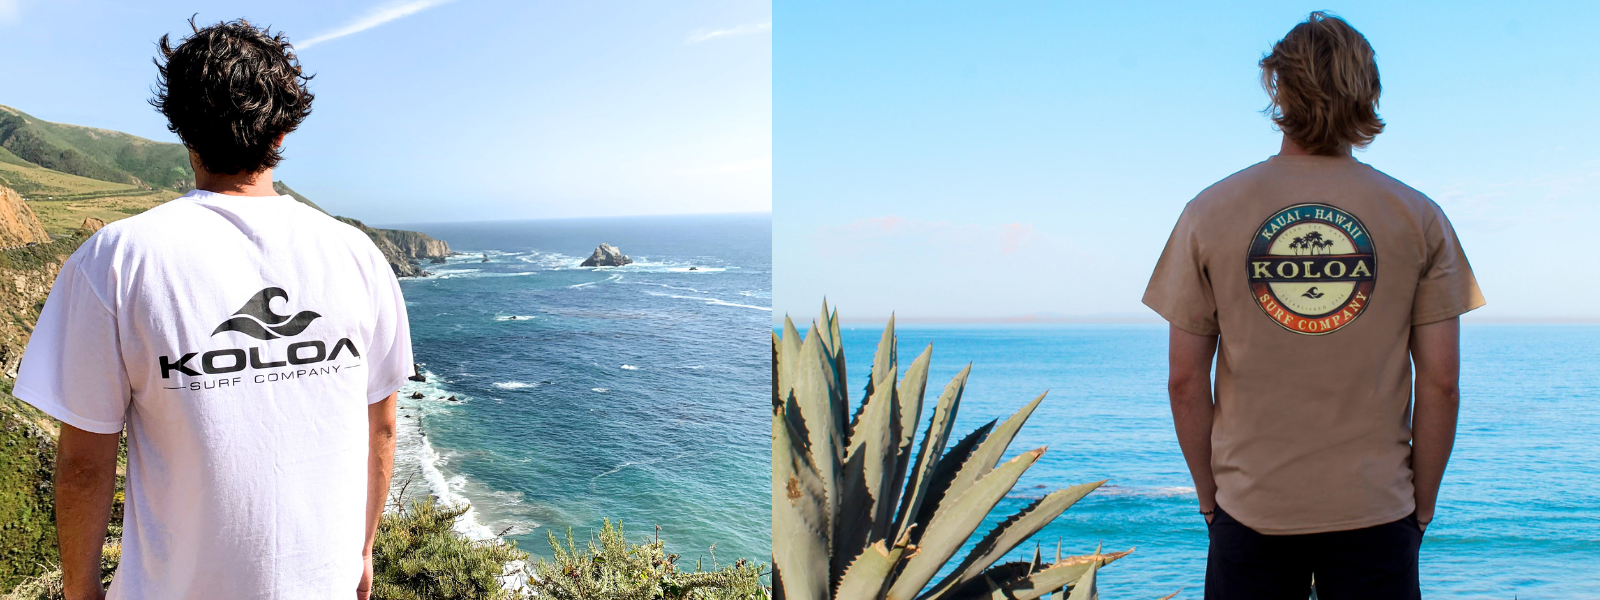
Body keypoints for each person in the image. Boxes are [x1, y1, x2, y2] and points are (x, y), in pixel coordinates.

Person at [15, 19, 412, 600]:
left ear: (181, 126)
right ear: (284, 128)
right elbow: (381, 425)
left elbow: (84, 461)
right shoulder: (357, 254)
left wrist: (81, 588)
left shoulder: (117, 260)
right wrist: (362, 552)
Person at [1143, 12, 1484, 600]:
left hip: (1250, 511)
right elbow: (1441, 383)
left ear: (1278, 86)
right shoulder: (1417, 216)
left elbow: (1183, 381)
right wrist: (1419, 510)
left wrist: (1210, 502)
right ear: (1367, 90)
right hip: (1377, 513)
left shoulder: (1209, 212)